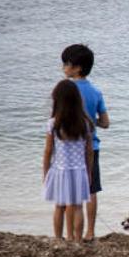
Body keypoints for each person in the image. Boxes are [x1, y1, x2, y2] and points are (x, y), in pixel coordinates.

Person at [61, 44, 109, 241]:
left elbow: (58, 119)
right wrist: (91, 120)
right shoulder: (96, 92)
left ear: (77, 68)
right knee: (91, 189)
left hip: (69, 147)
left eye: (66, 64)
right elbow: (105, 123)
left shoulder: (65, 90)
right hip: (92, 147)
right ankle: (90, 232)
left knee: (70, 191)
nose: (63, 67)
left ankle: (70, 233)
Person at [43, 79, 94, 242]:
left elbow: (48, 151)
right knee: (78, 206)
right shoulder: (85, 124)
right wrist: (89, 171)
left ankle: (59, 238)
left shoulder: (53, 124)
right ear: (77, 100)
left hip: (60, 170)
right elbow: (89, 152)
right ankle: (77, 239)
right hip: (79, 170)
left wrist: (45, 172)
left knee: (59, 206)